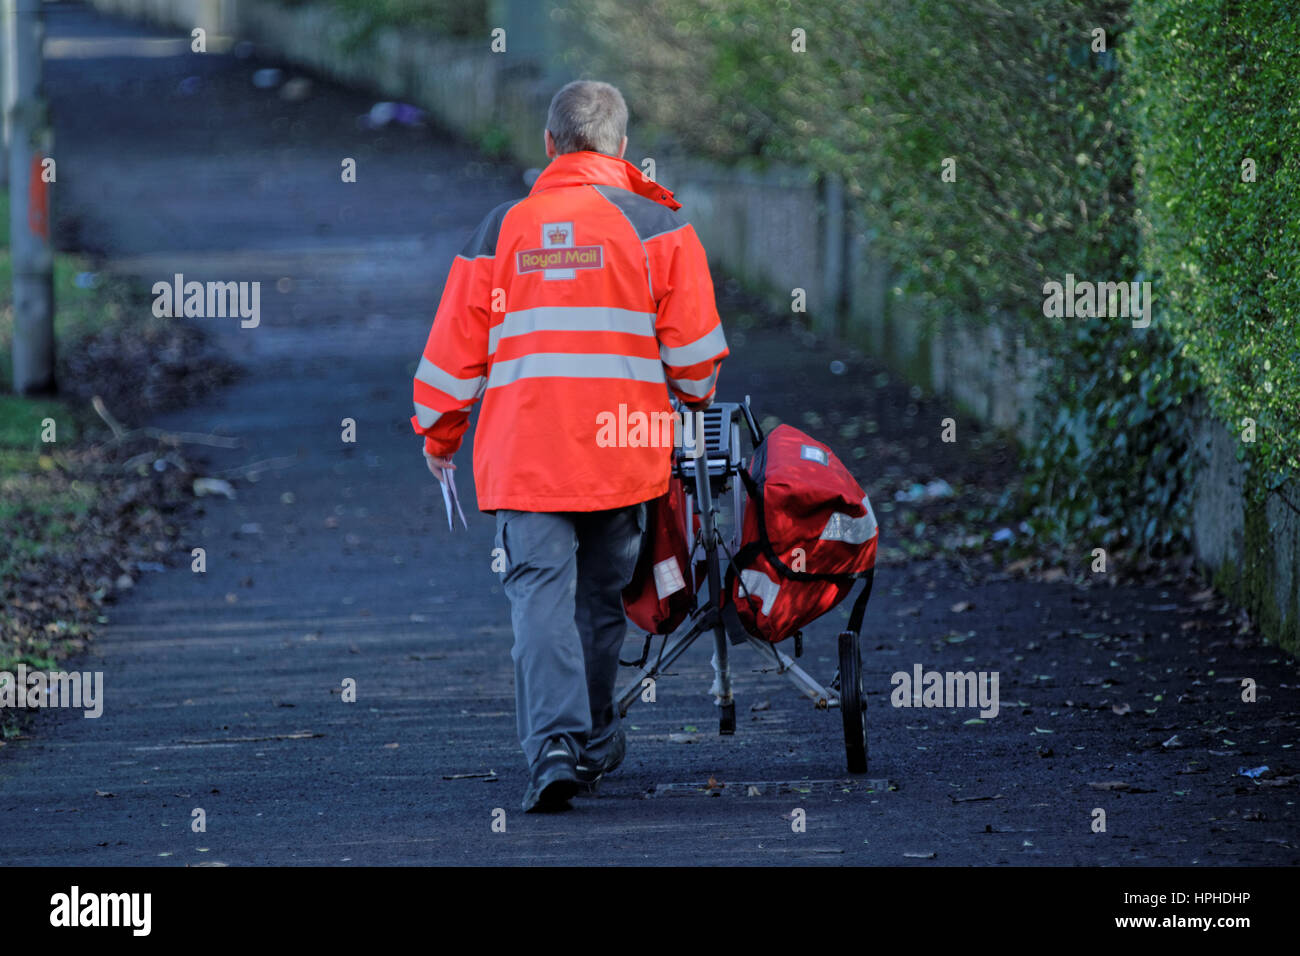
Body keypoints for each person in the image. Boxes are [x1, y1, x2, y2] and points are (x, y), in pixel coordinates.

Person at [410, 80, 728, 812]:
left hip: (525, 456)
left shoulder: (500, 230)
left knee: (539, 603)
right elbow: (698, 363)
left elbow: (456, 353)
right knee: (600, 599)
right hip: (623, 456)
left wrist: (440, 434)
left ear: (549, 146)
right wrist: (690, 399)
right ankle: (588, 740)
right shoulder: (656, 229)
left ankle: (555, 744)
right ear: (620, 148)